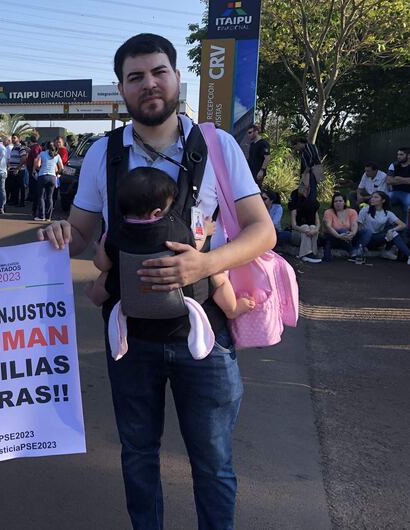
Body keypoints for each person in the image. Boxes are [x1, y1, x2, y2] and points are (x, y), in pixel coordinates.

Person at [37, 33, 275, 530]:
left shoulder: (217, 145)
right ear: (122, 89)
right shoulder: (103, 153)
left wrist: (204, 266)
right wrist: (64, 232)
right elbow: (81, 232)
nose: (149, 84)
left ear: (176, 77)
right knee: (138, 456)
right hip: (130, 339)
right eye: (136, 77)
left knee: (213, 463)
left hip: (205, 335)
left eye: (158, 72)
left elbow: (263, 231)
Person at [85, 167, 255, 324]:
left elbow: (103, 264)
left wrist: (99, 249)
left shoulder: (114, 231)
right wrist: (205, 229)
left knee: (105, 279)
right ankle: (232, 309)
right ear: (156, 213)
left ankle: (94, 297)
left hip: (131, 281)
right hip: (174, 287)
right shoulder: (172, 229)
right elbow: (194, 246)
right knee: (218, 276)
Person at [357, 191, 410, 263]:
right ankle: (359, 250)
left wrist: (391, 230)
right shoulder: (365, 210)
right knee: (368, 232)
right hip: (365, 239)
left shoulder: (387, 213)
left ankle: (407, 255)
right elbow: (359, 227)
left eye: (376, 197)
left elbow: (403, 225)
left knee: (393, 232)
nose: (372, 199)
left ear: (383, 200)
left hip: (377, 238)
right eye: (372, 197)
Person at [288, 181, 322, 263]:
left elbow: (318, 223)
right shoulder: (295, 207)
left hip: (311, 231)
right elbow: (294, 225)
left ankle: (313, 253)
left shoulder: (313, 206)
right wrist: (305, 230)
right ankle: (306, 254)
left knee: (313, 227)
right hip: (298, 231)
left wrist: (315, 230)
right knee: (305, 227)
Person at [320, 192, 358, 261]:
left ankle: (357, 249)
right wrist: (338, 235)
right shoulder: (328, 212)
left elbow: (354, 224)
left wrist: (353, 233)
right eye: (335, 201)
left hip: (348, 237)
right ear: (333, 203)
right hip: (331, 236)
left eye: (340, 201)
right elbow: (328, 227)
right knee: (342, 231)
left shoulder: (352, 212)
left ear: (344, 202)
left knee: (366, 232)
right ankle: (352, 252)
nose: (338, 203)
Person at [33, 141, 63, 222]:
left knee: (41, 197)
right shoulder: (57, 155)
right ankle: (48, 217)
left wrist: (39, 168)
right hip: (52, 177)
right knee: (50, 197)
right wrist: (56, 173)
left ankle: (41, 216)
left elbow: (38, 165)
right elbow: (61, 167)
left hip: (43, 176)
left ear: (46, 147)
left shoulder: (42, 154)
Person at [292, 135, 323, 202]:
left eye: (296, 147)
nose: (296, 149)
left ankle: (310, 203)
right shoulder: (309, 148)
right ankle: (308, 202)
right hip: (313, 170)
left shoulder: (307, 149)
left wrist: (304, 175)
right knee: (310, 188)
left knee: (310, 188)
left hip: (311, 171)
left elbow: (309, 163)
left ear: (299, 143)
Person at [387, 147, 410, 222]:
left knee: (408, 204)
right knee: (383, 199)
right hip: (395, 192)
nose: (398, 157)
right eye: (398, 154)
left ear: (408, 155)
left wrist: (398, 178)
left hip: (408, 193)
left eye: (401, 155)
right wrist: (406, 180)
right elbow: (389, 180)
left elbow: (393, 180)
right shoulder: (394, 165)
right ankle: (386, 224)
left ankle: (406, 229)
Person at [6, 134, 27, 206]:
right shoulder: (13, 148)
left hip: (20, 170)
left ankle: (22, 202)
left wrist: (17, 168)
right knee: (15, 186)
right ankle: (15, 201)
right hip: (13, 169)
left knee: (21, 186)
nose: (13, 139)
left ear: (19, 139)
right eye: (12, 138)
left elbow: (24, 159)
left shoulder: (21, 148)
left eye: (14, 138)